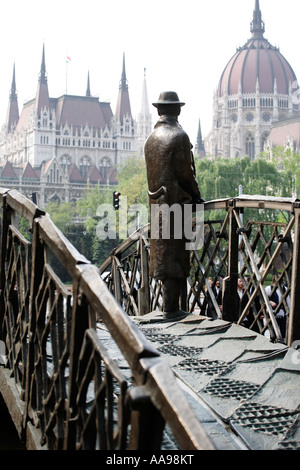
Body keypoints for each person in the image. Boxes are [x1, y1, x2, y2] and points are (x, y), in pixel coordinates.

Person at [144, 91, 205, 321]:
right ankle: (171, 308)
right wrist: (197, 195)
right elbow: (186, 173)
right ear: (177, 110)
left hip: (157, 205)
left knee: (163, 254)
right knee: (177, 255)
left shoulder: (150, 139)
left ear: (159, 110)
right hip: (177, 203)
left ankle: (167, 306)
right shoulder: (179, 136)